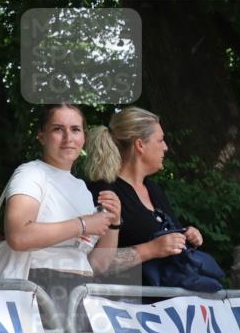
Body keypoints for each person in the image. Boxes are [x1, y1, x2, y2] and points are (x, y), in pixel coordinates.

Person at [0, 103, 121, 320]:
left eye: (75, 129)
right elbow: (18, 236)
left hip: (77, 298)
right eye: (57, 129)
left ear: (83, 136)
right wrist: (82, 224)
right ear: (42, 136)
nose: (68, 137)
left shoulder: (82, 188)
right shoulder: (31, 173)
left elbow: (98, 264)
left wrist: (115, 222)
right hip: (34, 295)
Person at [84, 107, 210, 288]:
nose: (166, 147)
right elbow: (93, 263)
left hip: (164, 308)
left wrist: (187, 236)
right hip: (123, 308)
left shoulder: (154, 189)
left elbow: (166, 239)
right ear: (140, 145)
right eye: (160, 140)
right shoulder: (104, 191)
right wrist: (150, 250)